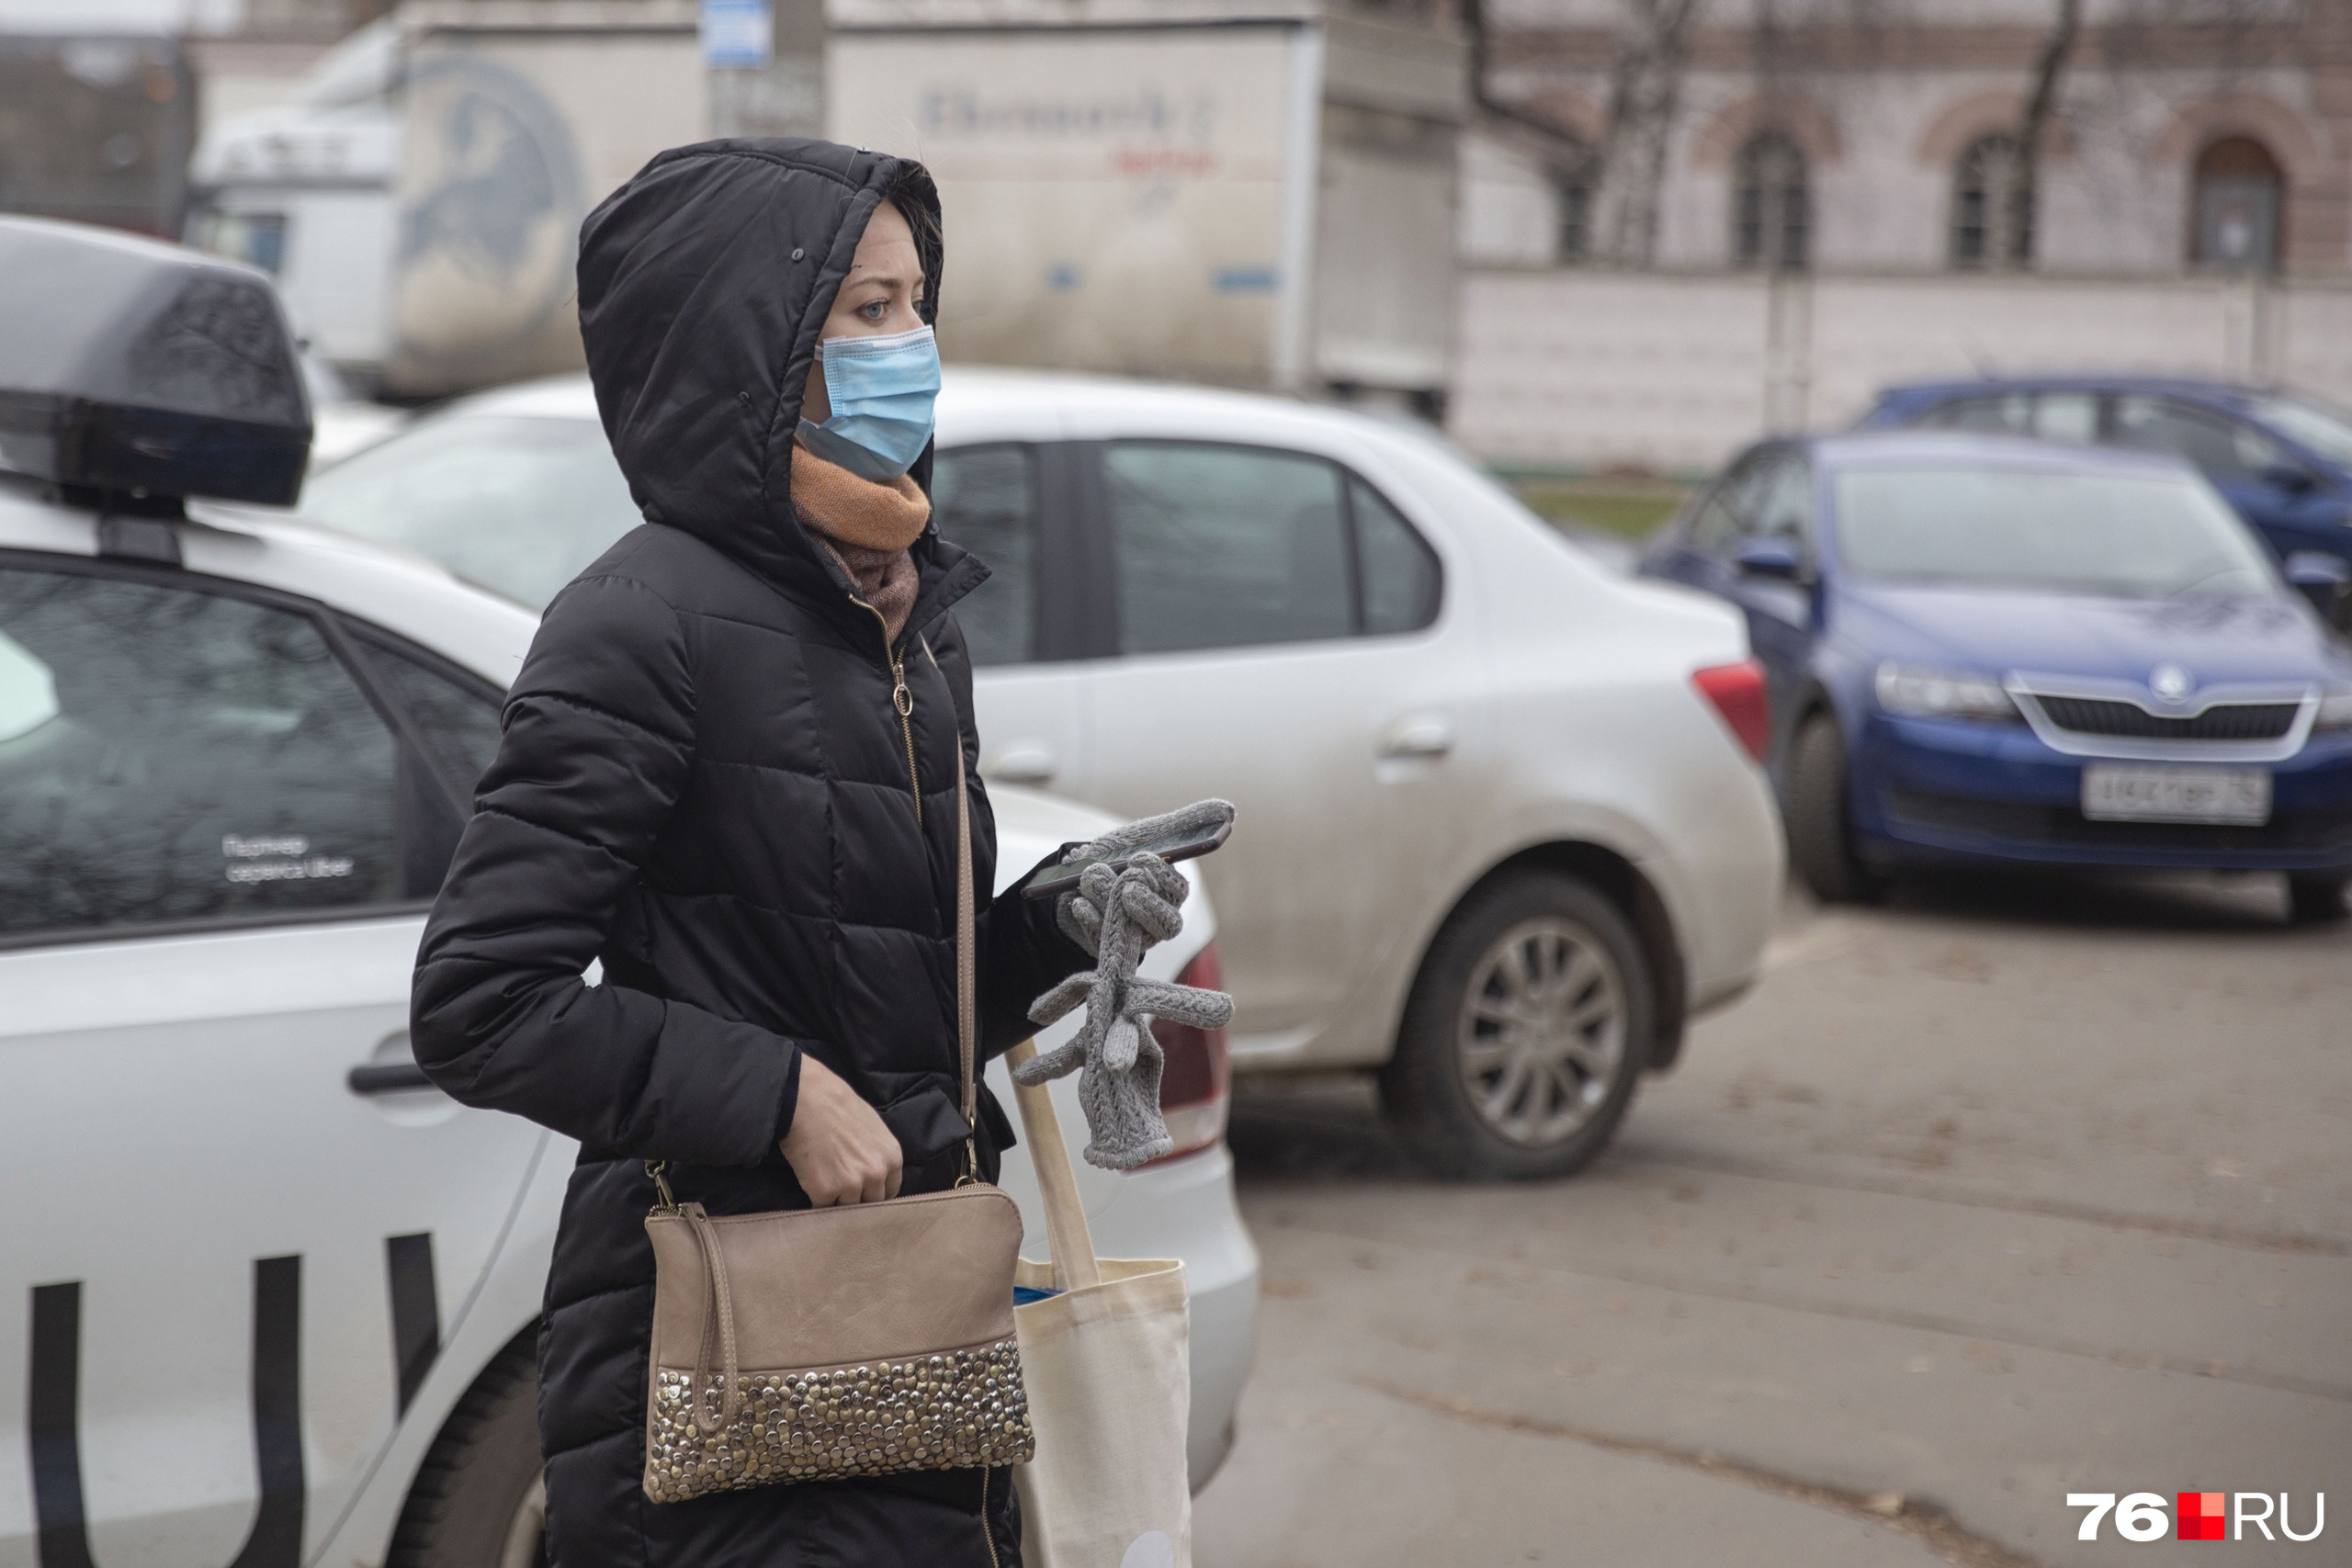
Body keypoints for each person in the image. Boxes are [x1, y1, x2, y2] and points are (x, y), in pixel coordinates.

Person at [410, 138, 1091, 1568]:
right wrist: (774, 1092)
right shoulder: (639, 622)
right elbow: (481, 1006)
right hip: (728, 1373)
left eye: (919, 303)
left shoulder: (905, 610)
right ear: (753, 344)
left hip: (913, 1335)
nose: (915, 346)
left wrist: (1058, 932)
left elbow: (882, 991)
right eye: (867, 312)